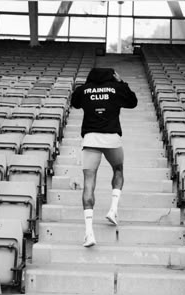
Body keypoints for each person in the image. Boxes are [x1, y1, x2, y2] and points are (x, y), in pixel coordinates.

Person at [71, 67, 138, 247]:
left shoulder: (83, 90)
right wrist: (121, 82)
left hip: (91, 138)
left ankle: (89, 233)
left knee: (88, 182)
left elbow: (75, 103)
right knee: (118, 169)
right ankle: (113, 209)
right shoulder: (116, 88)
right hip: (112, 138)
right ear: (111, 76)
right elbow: (133, 102)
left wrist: (87, 87)